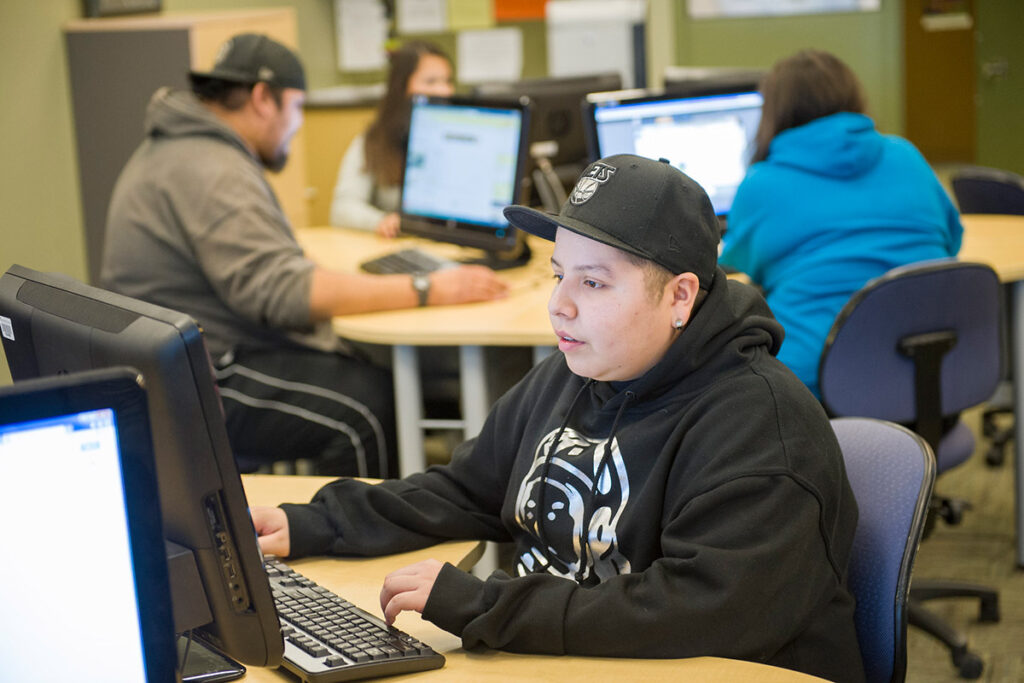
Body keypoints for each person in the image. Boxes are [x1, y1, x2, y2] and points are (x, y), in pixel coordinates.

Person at [251, 154, 865, 682]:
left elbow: (702, 610)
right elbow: (467, 489)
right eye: (558, 274)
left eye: (594, 284)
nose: (559, 306)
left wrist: (488, 606)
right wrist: (313, 524)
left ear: (680, 296)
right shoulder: (581, 370)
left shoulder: (762, 428)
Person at [101, 34, 507, 478]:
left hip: (185, 358)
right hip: (202, 377)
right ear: (262, 99)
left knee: (360, 368)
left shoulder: (186, 150)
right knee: (364, 408)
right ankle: (352, 539)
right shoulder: (212, 169)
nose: (297, 125)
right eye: (296, 108)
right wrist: (428, 286)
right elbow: (285, 293)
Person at [720, 49, 963, 398]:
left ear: (774, 110)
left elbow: (735, 268)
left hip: (813, 390)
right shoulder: (906, 155)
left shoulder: (762, 184)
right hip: (930, 374)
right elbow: (952, 242)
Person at [330, 41, 454, 236]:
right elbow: (343, 208)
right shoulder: (374, 141)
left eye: (447, 81)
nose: (444, 91)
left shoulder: (462, 138)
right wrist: (381, 221)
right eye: (431, 82)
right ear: (401, 87)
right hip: (402, 247)